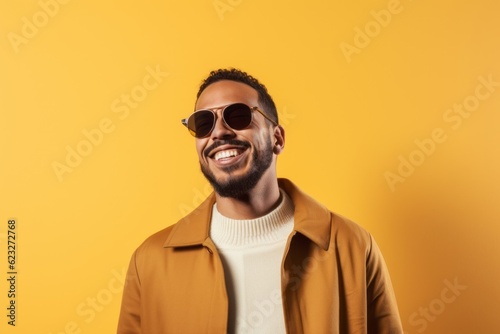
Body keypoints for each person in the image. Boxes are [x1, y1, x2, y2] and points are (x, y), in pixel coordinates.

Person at [117, 68, 403, 334]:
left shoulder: (350, 246)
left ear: (276, 138)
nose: (218, 132)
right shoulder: (150, 261)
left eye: (238, 116)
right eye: (203, 123)